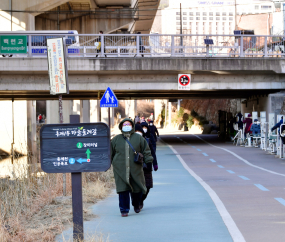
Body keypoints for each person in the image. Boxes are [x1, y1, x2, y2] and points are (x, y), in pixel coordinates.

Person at [111, 118, 153, 217]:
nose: (126, 126)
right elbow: (110, 153)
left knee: (137, 188)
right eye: (124, 124)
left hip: (136, 168)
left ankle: (136, 204)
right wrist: (113, 163)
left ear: (132, 126)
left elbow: (146, 150)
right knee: (123, 190)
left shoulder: (139, 138)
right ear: (121, 126)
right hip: (120, 170)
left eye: (128, 124)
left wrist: (149, 161)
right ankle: (124, 210)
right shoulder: (116, 139)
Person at [134, 123, 158, 210]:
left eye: (140, 131)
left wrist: (155, 164)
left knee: (147, 187)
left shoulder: (147, 141)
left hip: (147, 167)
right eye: (136, 131)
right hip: (135, 167)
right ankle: (136, 202)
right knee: (136, 187)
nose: (139, 132)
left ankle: (141, 200)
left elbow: (152, 153)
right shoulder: (130, 142)